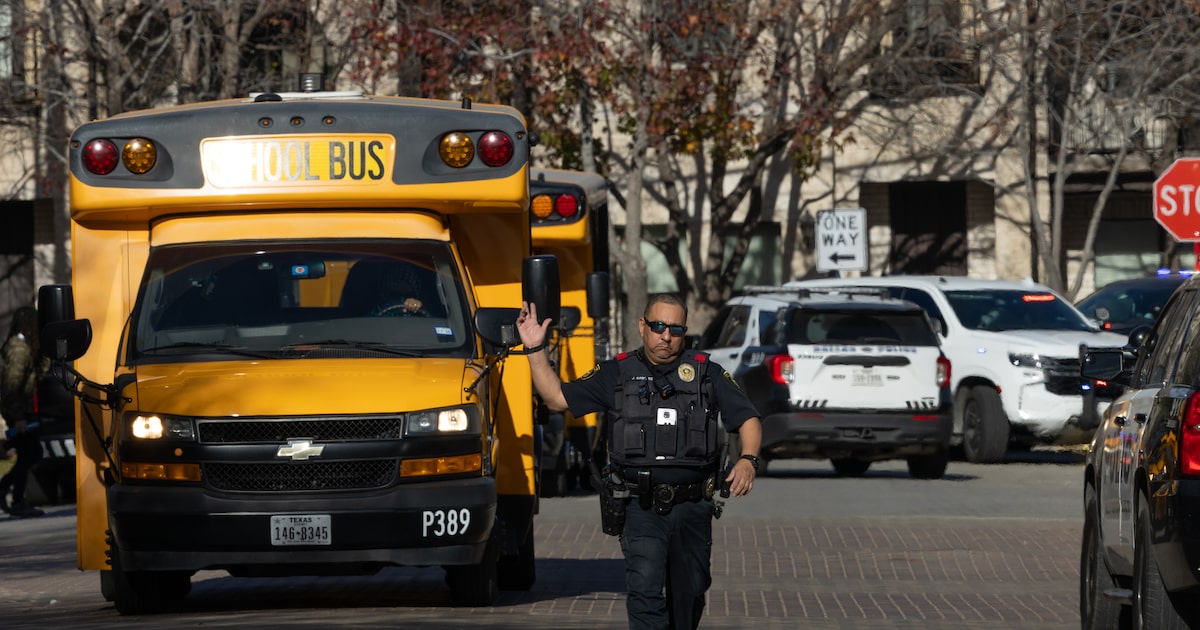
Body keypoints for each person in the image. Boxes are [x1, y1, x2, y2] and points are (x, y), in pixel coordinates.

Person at [517, 292, 763, 630]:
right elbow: (557, 398)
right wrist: (534, 349)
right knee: (645, 593)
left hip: (693, 505)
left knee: (690, 594)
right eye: (658, 326)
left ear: (684, 331)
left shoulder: (707, 374)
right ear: (642, 326)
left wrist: (748, 460)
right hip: (639, 506)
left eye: (675, 329)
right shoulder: (616, 372)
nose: (666, 335)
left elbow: (747, 418)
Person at [0, 306, 49, 518]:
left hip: (22, 410)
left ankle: (7, 490)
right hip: (18, 412)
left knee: (31, 452)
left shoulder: (25, 347)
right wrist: (18, 418)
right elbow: (12, 386)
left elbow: (36, 376)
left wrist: (44, 354)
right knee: (30, 452)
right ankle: (16, 499)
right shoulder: (19, 349)